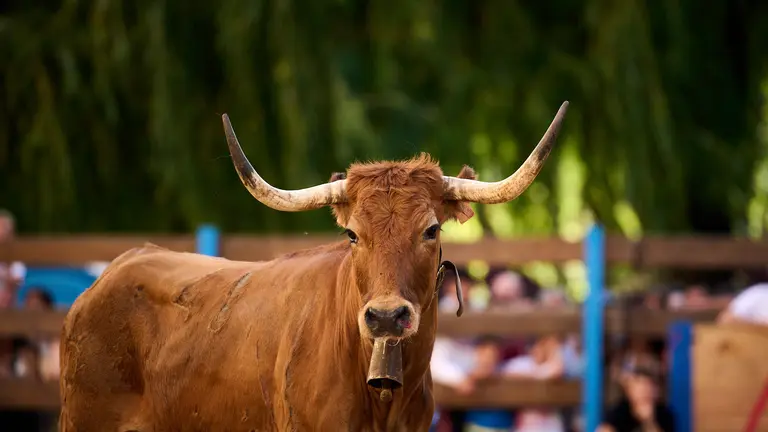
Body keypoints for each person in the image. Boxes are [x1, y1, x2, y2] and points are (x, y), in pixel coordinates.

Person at [598, 361, 675, 432]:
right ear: (629, 391)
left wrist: (649, 422)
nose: (644, 393)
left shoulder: (665, 415)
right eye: (640, 388)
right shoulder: (618, 412)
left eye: (648, 387)